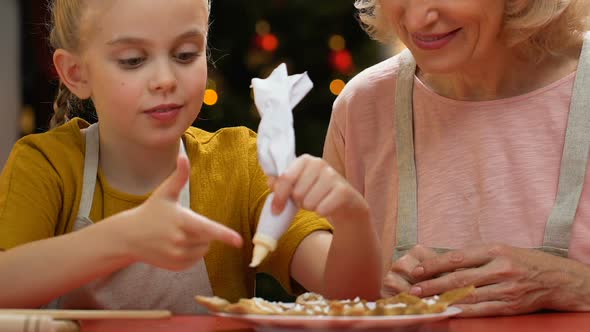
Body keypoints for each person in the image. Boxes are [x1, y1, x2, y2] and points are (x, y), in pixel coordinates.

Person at [0, 0, 382, 312]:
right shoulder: (47, 165)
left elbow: (350, 295)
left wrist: (353, 218)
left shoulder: (241, 163)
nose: (165, 79)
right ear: (76, 73)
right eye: (133, 59)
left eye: (185, 54)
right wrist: (123, 238)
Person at [322, 0, 590, 316]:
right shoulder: (362, 105)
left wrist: (575, 284)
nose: (417, 19)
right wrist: (374, 296)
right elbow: (333, 298)